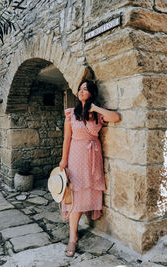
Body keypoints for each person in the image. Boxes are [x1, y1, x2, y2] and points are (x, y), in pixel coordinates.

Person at [59, 79, 120, 257]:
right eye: (80, 89)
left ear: (92, 93)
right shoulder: (71, 114)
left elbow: (116, 118)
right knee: (75, 195)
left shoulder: (96, 114)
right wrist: (63, 160)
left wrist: (95, 108)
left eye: (85, 89)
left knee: (90, 190)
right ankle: (72, 237)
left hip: (93, 156)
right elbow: (66, 139)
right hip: (76, 156)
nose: (81, 91)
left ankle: (77, 231)